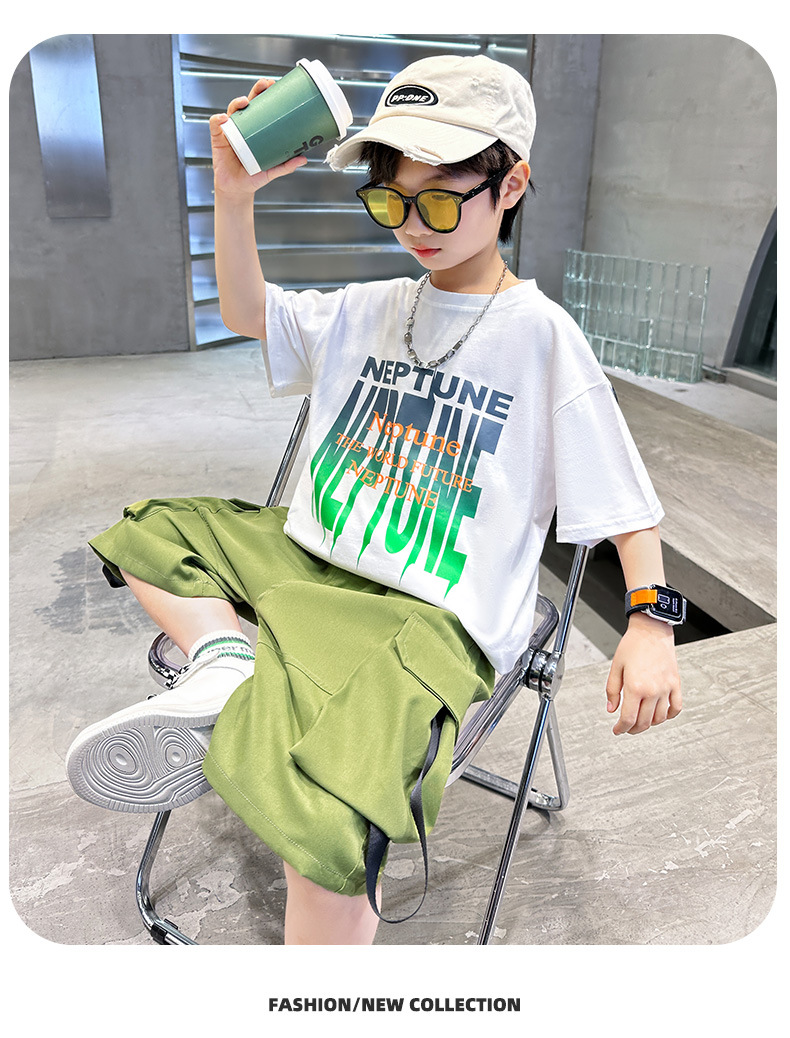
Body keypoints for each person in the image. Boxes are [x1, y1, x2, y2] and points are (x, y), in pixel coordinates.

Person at [66, 54, 682, 945]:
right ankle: (228, 666)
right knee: (155, 532)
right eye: (392, 202)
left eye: (440, 203)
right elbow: (247, 313)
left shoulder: (542, 336)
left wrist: (652, 626)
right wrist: (232, 195)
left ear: (511, 186)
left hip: (426, 618)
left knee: (330, 833)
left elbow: (626, 503)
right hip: (306, 560)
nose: (414, 228)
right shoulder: (371, 307)